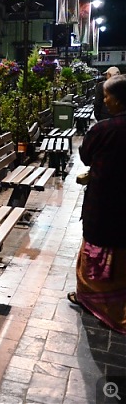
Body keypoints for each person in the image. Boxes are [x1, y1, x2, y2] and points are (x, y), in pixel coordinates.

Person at [68, 74, 126, 333]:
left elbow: (85, 155)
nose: (105, 101)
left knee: (98, 248)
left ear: (118, 100)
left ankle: (92, 299)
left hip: (103, 202)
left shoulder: (103, 129)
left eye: (107, 96)